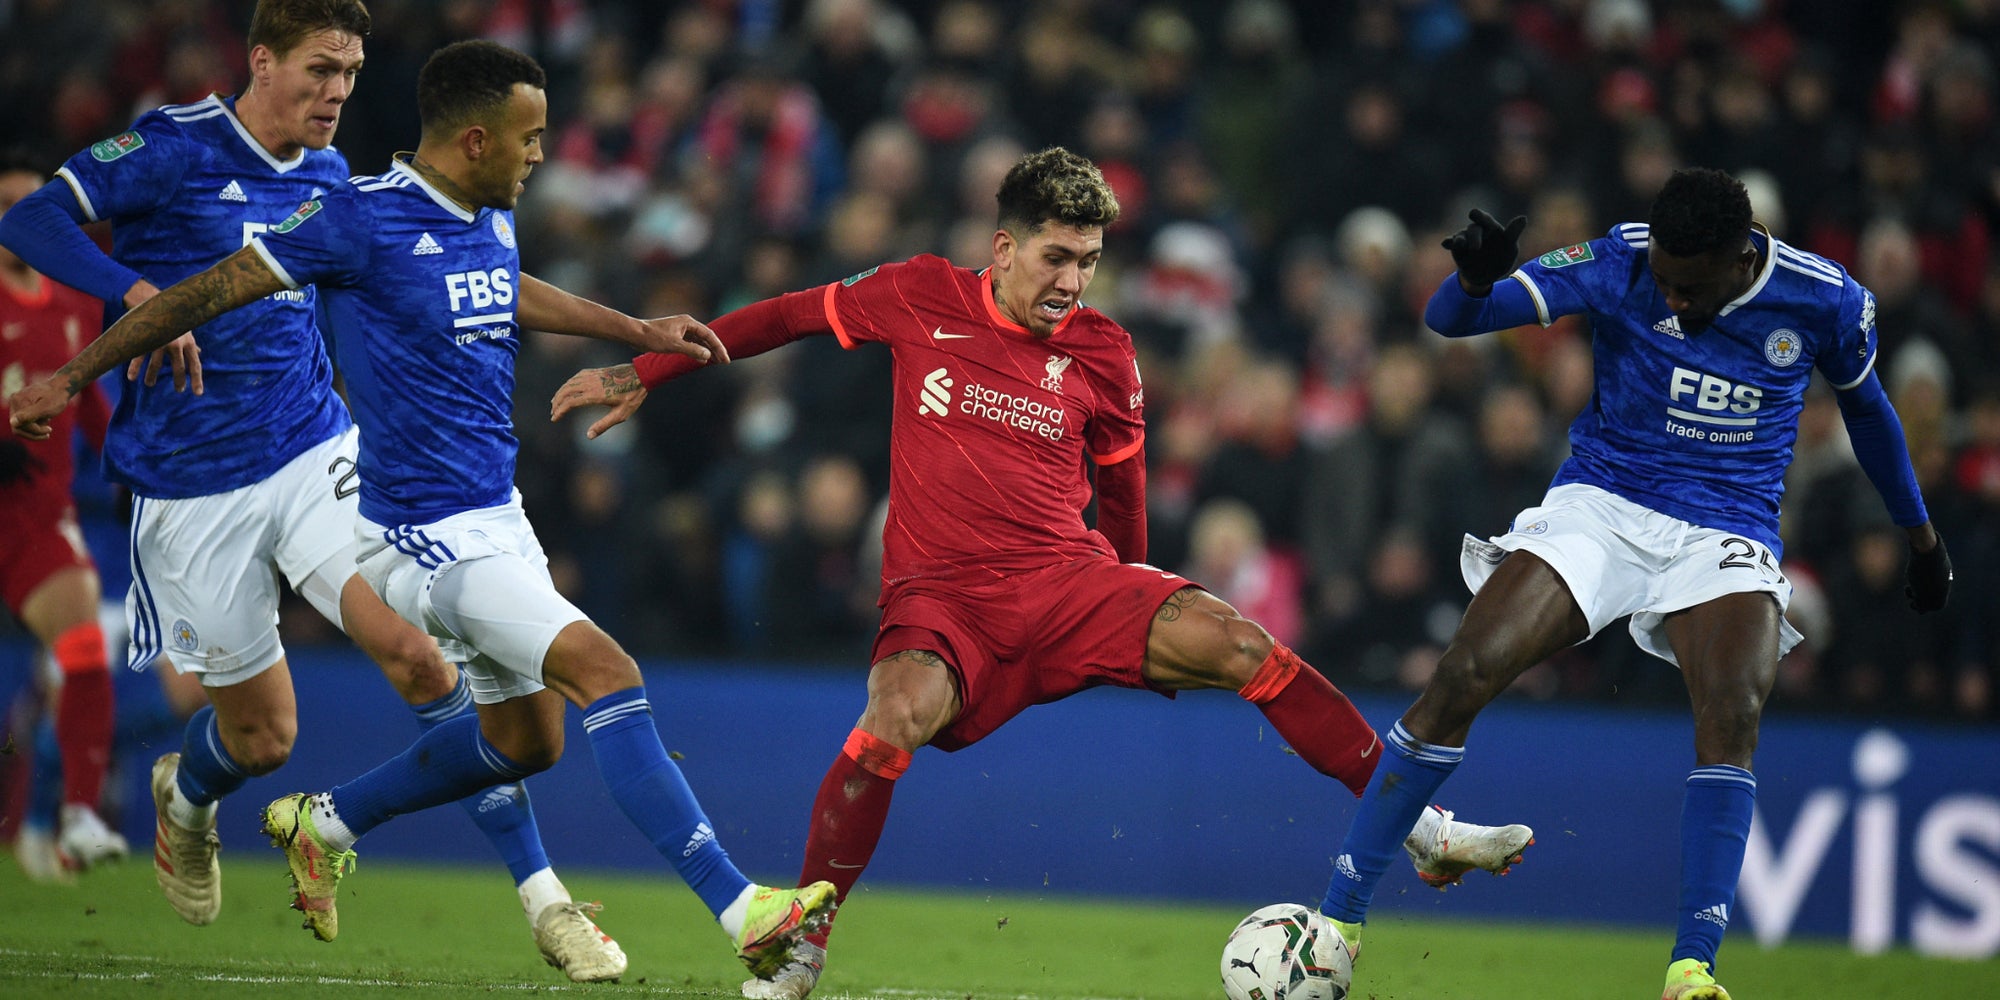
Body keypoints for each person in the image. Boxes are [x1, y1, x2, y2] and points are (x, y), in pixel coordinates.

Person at [547, 145, 1534, 1000]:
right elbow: (779, 318)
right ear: (1004, 247)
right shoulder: (916, 292)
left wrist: (1150, 614)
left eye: (1091, 262)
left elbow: (1127, 507)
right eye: (1056, 256)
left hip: (1069, 588)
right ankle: (799, 946)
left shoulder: (1105, 352)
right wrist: (645, 365)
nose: (1072, 280)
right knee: (892, 715)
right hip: (941, 600)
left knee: (1238, 641)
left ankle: (1420, 826)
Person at [7, 38, 837, 982]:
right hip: (415, 533)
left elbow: (503, 288)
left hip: (497, 515)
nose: (541, 156)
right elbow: (210, 291)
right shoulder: (356, 219)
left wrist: (634, 331)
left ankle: (329, 822)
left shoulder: (490, 210)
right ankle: (741, 908)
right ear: (475, 138)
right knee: (606, 671)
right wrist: (73, 376)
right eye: (530, 139)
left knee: (529, 742)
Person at [1313, 167, 1953, 1000]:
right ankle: (1338, 923)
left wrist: (1921, 535)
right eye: (1667, 285)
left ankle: (1692, 970)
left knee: (1732, 710)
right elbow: (1448, 319)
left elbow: (1869, 415)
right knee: (1465, 670)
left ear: (1739, 257)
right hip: (1605, 504)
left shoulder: (1822, 299)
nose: (1676, 302)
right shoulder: (1622, 261)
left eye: (1693, 288)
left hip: (1727, 527)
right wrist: (1474, 279)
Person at [0, 152, 124, 874]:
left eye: (31, 204)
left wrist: (127, 465)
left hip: (35, 519)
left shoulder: (77, 304)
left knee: (81, 652)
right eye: (8, 205)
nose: (20, 218)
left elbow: (91, 405)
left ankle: (77, 812)